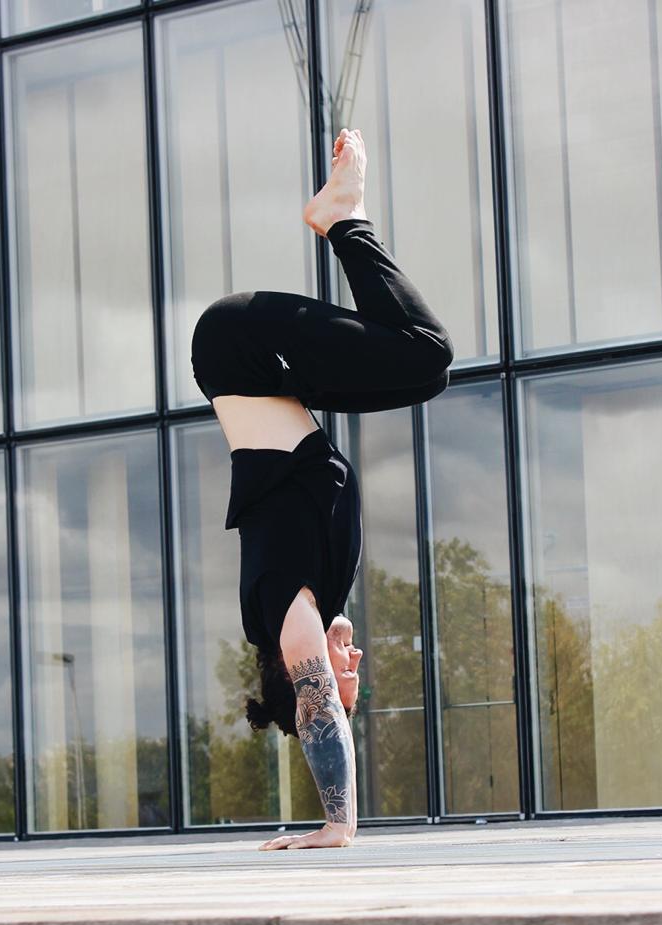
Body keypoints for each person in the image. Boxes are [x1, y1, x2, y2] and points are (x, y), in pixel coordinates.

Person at [190, 128, 453, 851]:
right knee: (425, 367)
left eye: (345, 677)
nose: (355, 663)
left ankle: (341, 214)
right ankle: (340, 217)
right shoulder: (322, 589)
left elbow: (313, 707)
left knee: (425, 355)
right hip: (259, 367)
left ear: (299, 666)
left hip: (236, 347)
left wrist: (337, 823)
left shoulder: (285, 609)